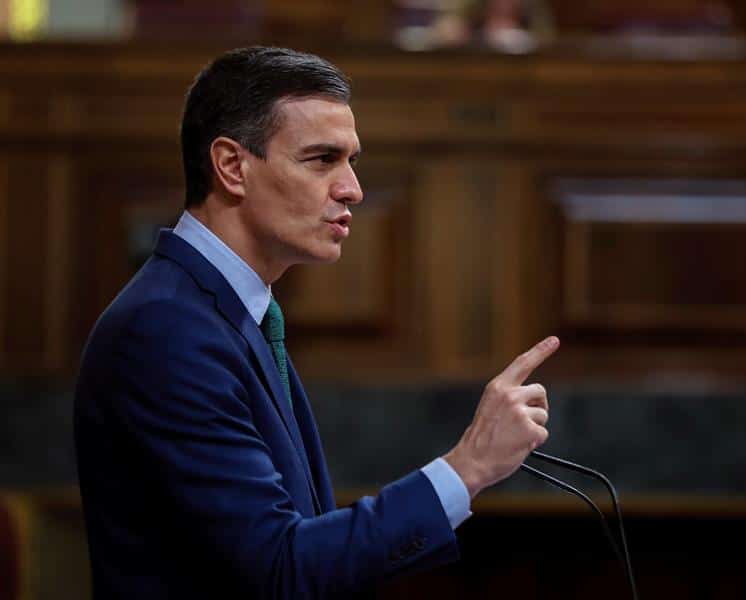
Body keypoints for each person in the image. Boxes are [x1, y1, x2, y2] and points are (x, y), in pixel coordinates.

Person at [74, 46, 557, 599]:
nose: (352, 188)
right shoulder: (165, 331)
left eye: (351, 160)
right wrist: (466, 468)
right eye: (322, 159)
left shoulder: (228, 311)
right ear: (232, 166)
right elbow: (280, 568)